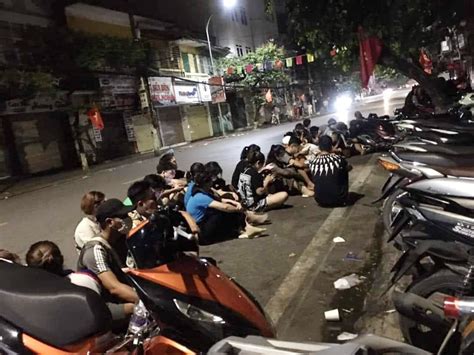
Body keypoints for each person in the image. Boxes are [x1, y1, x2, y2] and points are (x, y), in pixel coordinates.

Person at [27, 240, 134, 321]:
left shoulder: (33, 298)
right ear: (61, 258)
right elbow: (103, 313)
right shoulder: (82, 280)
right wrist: (136, 308)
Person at [77, 199, 139, 316]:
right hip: (102, 307)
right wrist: (147, 300)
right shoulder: (95, 250)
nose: (128, 218)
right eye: (123, 216)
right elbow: (114, 287)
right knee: (138, 308)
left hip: (123, 295)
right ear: (110, 222)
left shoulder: (121, 240)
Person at [186, 171, 266, 245]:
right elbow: (225, 207)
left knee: (226, 209)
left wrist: (235, 203)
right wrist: (239, 210)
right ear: (206, 183)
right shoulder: (200, 197)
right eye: (211, 181)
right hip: (201, 234)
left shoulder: (200, 192)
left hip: (202, 227)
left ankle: (244, 228)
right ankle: (242, 231)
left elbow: (220, 200)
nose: (212, 183)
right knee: (222, 212)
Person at [309, 136, 350, 207]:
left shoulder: (312, 162)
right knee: (343, 170)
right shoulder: (338, 159)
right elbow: (349, 167)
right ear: (331, 146)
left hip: (319, 200)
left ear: (319, 147)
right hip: (338, 199)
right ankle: (341, 194)